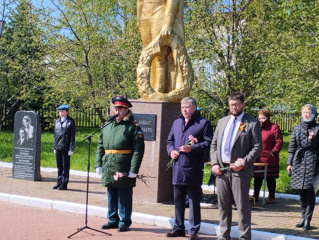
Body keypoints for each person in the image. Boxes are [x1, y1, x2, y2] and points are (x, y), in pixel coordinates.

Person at [211, 92, 262, 240]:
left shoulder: (252, 123)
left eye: (237, 104)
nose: (234, 107)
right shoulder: (222, 122)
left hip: (240, 171)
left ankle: (244, 237)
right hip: (221, 171)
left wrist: (244, 162)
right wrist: (214, 163)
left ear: (243, 104)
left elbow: (257, 147)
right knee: (223, 206)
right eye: (232, 104)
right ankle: (224, 235)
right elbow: (214, 145)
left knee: (242, 206)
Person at [95, 96, 145, 232]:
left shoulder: (132, 127)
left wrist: (133, 170)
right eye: (115, 108)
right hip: (108, 163)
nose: (117, 110)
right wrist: (98, 163)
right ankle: (112, 219)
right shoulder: (107, 125)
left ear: (126, 109)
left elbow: (138, 150)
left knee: (124, 194)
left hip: (123, 164)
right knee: (111, 191)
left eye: (120, 108)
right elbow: (100, 145)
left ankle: (124, 221)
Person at [166, 97, 213, 240]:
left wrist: (191, 148)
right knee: (178, 200)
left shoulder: (203, 123)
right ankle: (178, 227)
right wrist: (171, 151)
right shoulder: (176, 122)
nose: (184, 110)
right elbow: (170, 141)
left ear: (194, 108)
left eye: (187, 107)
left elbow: (208, 143)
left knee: (193, 201)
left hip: (192, 168)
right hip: (178, 167)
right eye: (182, 107)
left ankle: (193, 230)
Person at [137, 0, 185, 93]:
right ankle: (147, 91)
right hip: (145, 16)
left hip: (159, 13)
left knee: (160, 54)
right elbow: (139, 2)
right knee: (147, 53)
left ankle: (159, 91)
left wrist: (168, 23)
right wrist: (139, 20)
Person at [287, 104, 319, 231]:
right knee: (300, 192)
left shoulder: (317, 128)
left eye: (308, 112)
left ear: (313, 114)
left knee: (309, 191)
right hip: (298, 161)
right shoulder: (297, 128)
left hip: (313, 161)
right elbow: (292, 147)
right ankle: (302, 216)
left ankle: (308, 219)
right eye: (304, 112)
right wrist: (289, 163)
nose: (306, 114)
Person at [253, 110, 283, 204]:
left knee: (270, 178)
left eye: (263, 118)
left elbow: (279, 141)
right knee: (257, 178)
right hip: (258, 157)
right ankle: (255, 196)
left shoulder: (274, 128)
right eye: (259, 118)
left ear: (268, 118)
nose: (261, 120)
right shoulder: (256, 128)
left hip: (270, 157)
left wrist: (273, 152)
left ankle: (271, 196)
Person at [52, 104, 75, 190]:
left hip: (65, 146)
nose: (61, 113)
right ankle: (59, 182)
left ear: (67, 112)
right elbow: (55, 135)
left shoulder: (70, 121)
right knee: (59, 166)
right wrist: (54, 146)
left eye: (63, 111)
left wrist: (71, 148)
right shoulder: (57, 121)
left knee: (65, 166)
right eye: (60, 111)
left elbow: (72, 136)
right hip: (58, 146)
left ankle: (64, 184)